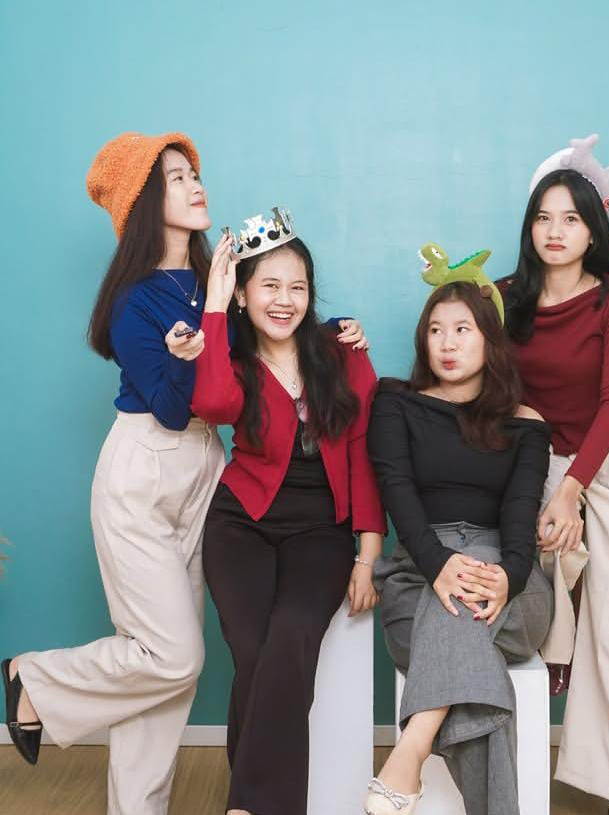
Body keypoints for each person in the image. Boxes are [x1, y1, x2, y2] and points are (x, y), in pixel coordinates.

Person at [1, 133, 366, 815]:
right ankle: (35, 680)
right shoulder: (133, 301)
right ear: (143, 201)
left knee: (165, 670)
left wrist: (334, 332)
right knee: (171, 654)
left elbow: (273, 335)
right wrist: (200, 331)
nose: (196, 184)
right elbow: (174, 407)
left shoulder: (214, 273)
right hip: (144, 465)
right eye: (176, 177)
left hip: (209, 469)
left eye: (194, 172)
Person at [180, 208, 386, 815]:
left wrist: (367, 555)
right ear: (244, 294)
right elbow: (211, 405)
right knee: (252, 651)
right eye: (269, 285)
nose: (285, 300)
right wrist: (214, 306)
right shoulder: (233, 360)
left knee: (291, 638)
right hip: (240, 522)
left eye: (297, 287)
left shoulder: (341, 351)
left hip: (321, 529)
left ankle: (247, 804)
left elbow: (365, 452)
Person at [500, 134, 609, 815]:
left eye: (571, 218)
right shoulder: (504, 297)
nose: (555, 231)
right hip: (540, 458)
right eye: (544, 217)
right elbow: (481, 381)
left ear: (594, 227)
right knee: (548, 614)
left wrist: (572, 493)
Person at [365, 278, 553, 815]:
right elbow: (397, 493)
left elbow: (519, 520)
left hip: (510, 586)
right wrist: (439, 564)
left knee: (469, 593)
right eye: (435, 330)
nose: (447, 343)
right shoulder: (395, 402)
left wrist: (508, 576)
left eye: (462, 330)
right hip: (419, 575)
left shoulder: (526, 426)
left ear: (490, 339)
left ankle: (411, 749)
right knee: (467, 648)